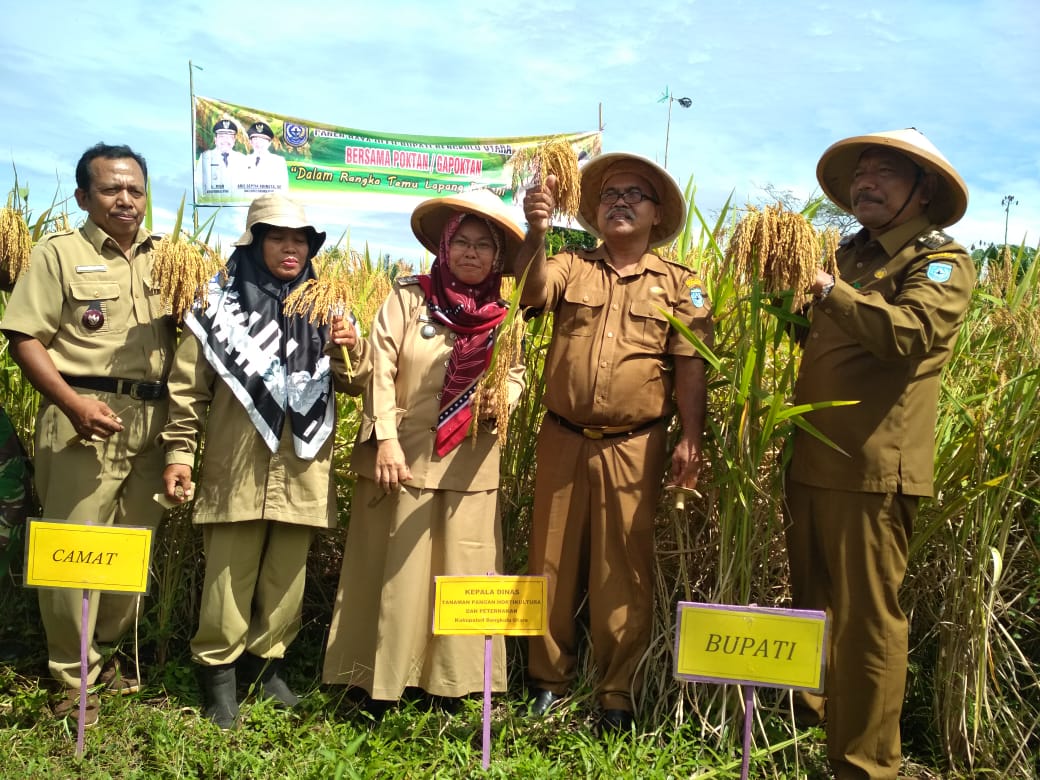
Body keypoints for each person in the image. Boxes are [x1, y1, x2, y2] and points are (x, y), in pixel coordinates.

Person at [785, 128, 974, 779]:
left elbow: (910, 334)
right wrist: (788, 291)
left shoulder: (939, 262)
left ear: (923, 189)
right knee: (815, 608)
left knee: (868, 626)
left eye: (884, 172)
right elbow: (814, 333)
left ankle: (867, 766)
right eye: (861, 172)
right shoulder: (849, 258)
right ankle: (819, 732)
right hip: (811, 463)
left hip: (871, 471)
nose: (866, 181)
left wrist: (826, 288)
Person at [516, 152, 714, 733]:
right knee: (547, 560)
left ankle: (616, 691)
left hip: (637, 444)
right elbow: (529, 293)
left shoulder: (683, 284)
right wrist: (536, 230)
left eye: (634, 195)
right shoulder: (570, 266)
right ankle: (546, 679)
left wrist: (691, 440)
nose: (619, 202)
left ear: (657, 214)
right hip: (562, 436)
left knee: (621, 566)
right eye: (608, 195)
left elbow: (691, 368)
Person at [159, 194, 365, 728]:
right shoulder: (215, 303)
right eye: (278, 237)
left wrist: (350, 347)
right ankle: (218, 675)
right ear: (256, 242)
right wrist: (180, 451)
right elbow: (188, 388)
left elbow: (357, 384)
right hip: (238, 464)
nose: (291, 248)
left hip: (302, 464)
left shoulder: (329, 306)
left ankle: (265, 667)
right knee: (228, 573)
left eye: (301, 239)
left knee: (286, 574)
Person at [322, 189, 526, 711]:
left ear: (498, 258)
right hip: (402, 457)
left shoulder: (506, 317)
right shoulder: (410, 299)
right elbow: (383, 368)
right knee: (394, 571)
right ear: (444, 244)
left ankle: (451, 685)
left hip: (471, 460)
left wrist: (500, 400)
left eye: (484, 245)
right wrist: (385, 438)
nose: (472, 253)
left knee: (460, 569)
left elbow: (516, 376)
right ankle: (377, 682)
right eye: (462, 241)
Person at [0, 142, 176, 727]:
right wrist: (74, 406)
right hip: (83, 417)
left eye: (135, 189)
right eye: (110, 189)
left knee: (130, 550)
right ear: (84, 197)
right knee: (76, 552)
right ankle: (71, 680)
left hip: (154, 421)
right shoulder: (58, 255)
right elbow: (25, 337)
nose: (125, 199)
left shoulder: (174, 259)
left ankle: (101, 657)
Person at [195, 118, 246, 198]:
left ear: (234, 141)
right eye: (222, 137)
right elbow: (198, 182)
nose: (226, 140)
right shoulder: (205, 157)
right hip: (213, 204)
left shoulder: (242, 159)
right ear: (215, 140)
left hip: (236, 205)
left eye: (229, 137)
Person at [237, 121, 290, 197]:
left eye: (263, 140)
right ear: (251, 142)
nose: (259, 143)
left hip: (269, 204)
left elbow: (283, 189)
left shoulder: (278, 161)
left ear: (269, 143)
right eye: (255, 139)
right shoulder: (243, 161)